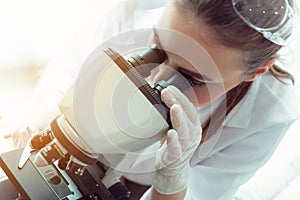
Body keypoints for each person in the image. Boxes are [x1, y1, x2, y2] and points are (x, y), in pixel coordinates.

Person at [13, 0, 299, 199]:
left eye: (193, 78)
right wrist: (48, 113)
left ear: (257, 71)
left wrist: (173, 177)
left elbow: (196, 195)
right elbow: (70, 67)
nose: (159, 77)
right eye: (157, 48)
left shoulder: (272, 111)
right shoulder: (140, 8)